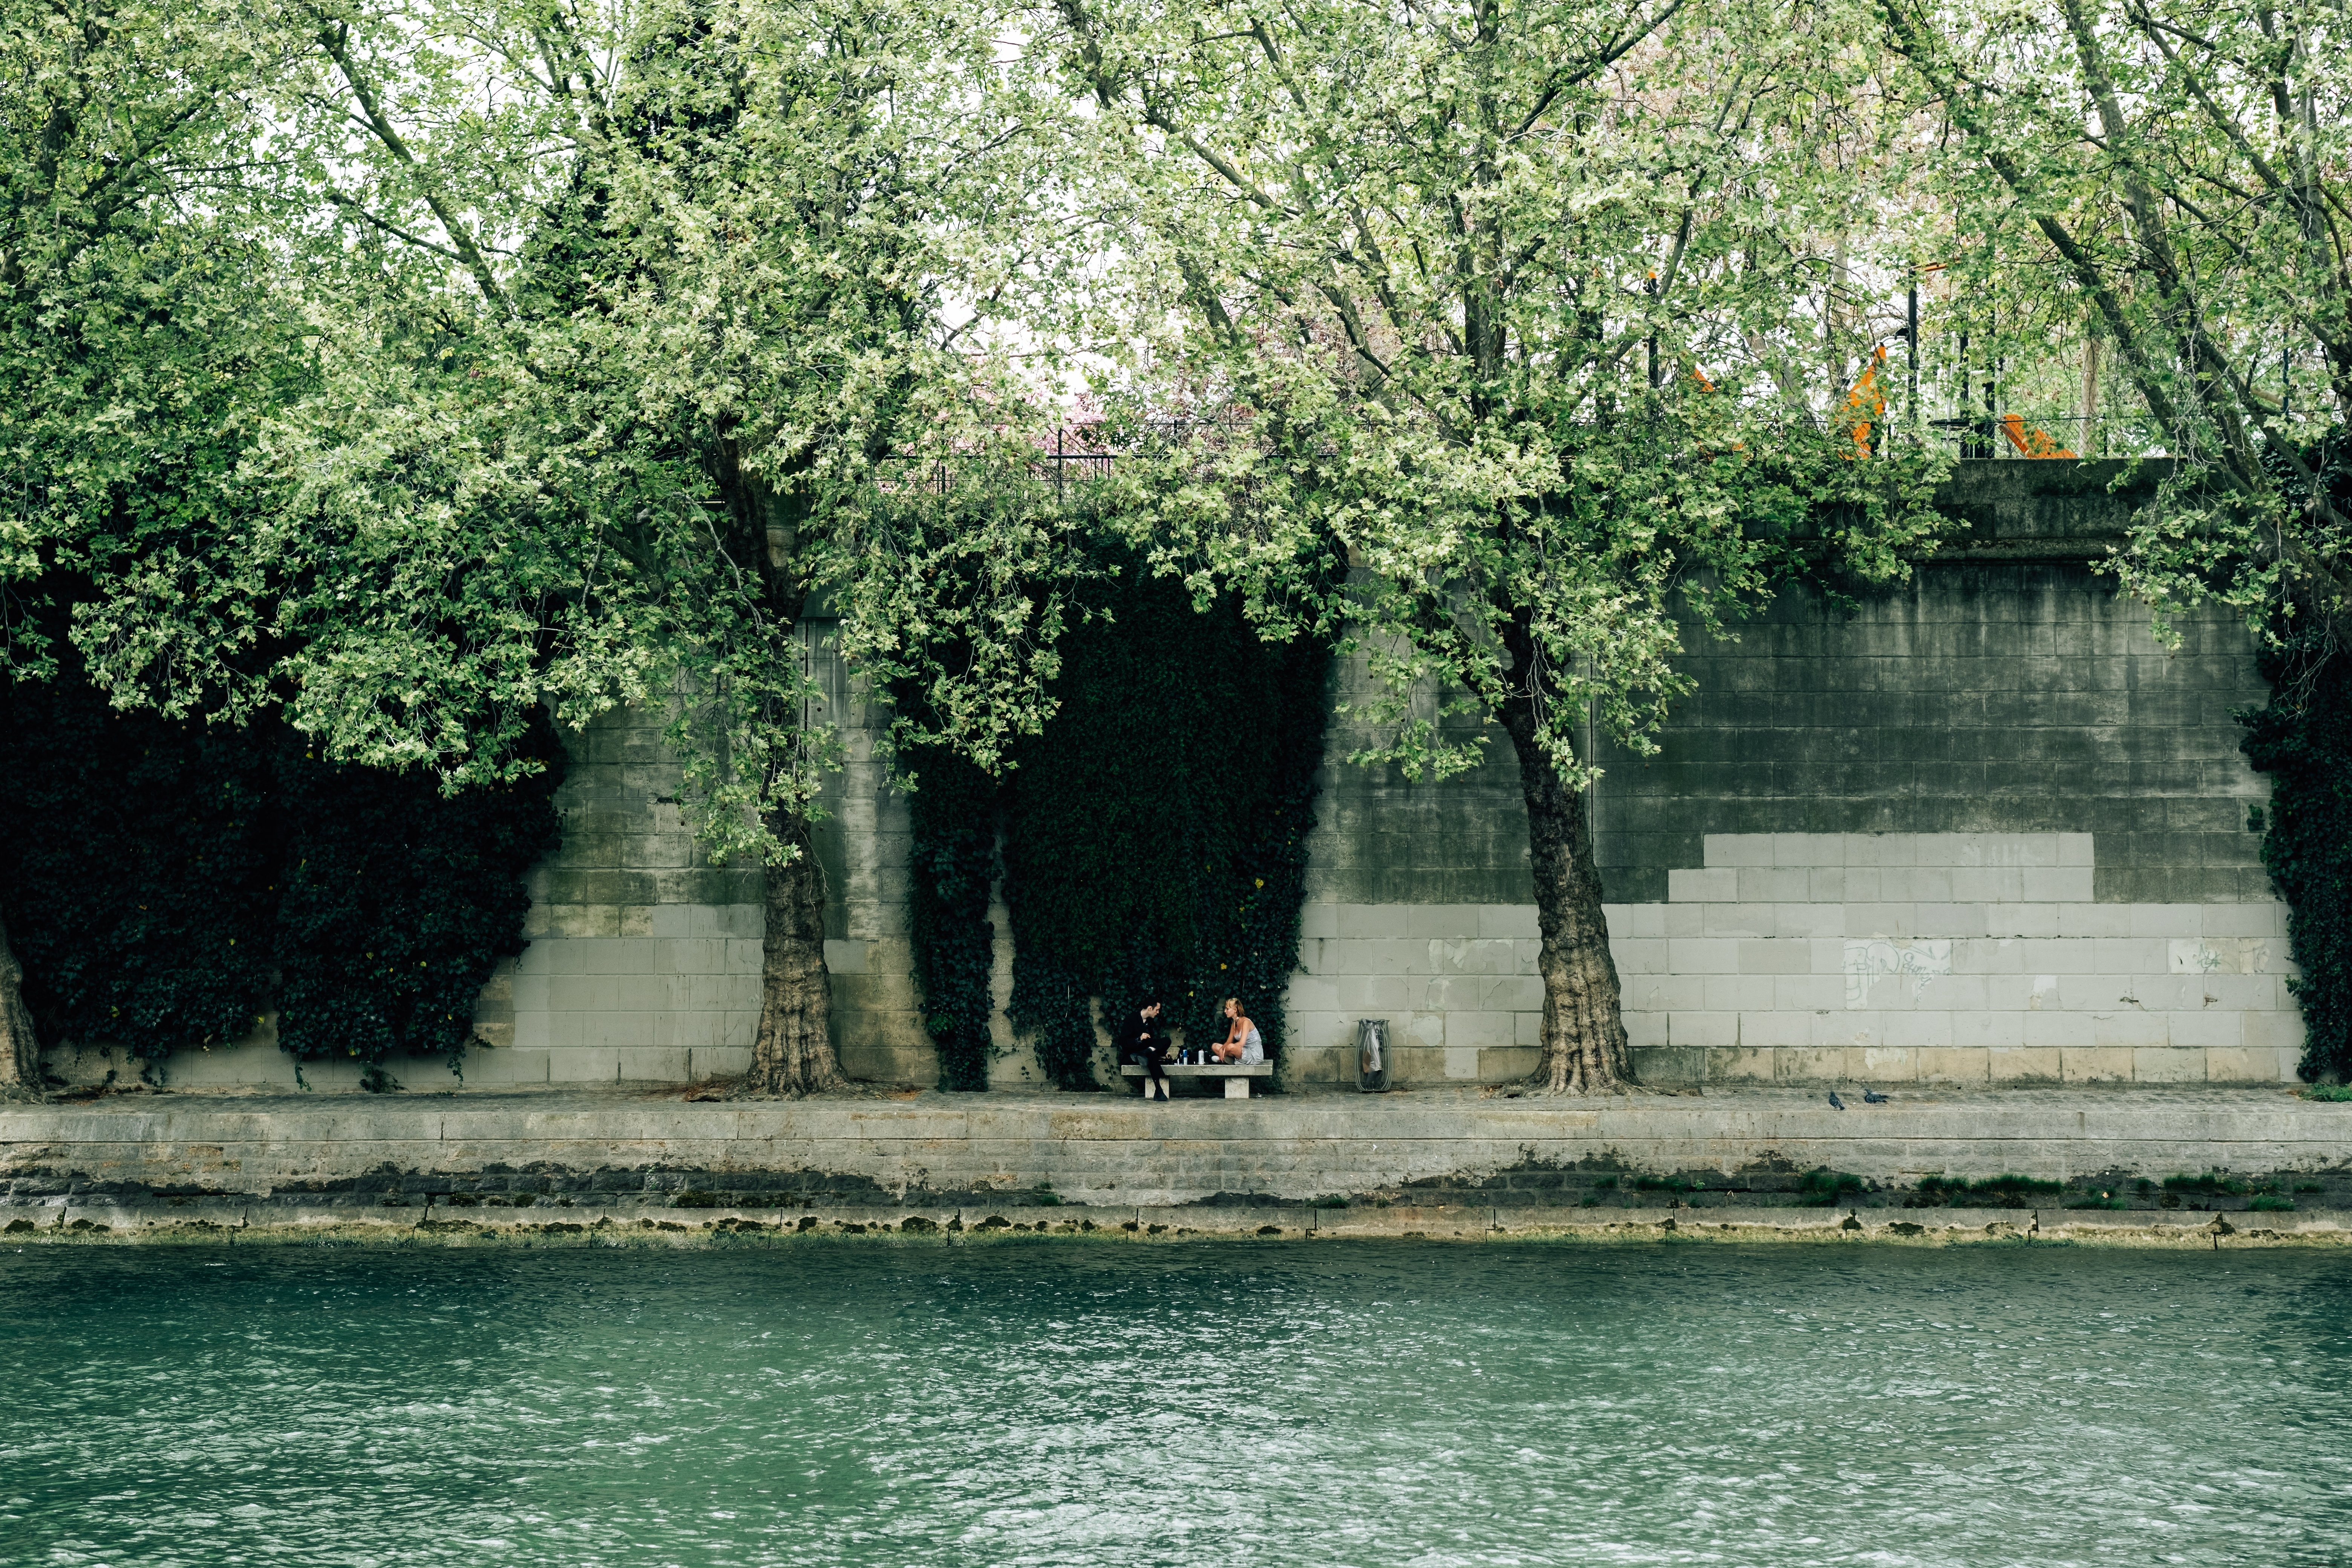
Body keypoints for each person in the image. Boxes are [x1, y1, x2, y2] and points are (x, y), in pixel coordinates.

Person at [1116, 998, 1174, 1099]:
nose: (1158, 1012)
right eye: (1157, 1010)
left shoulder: (1150, 1021)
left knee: (1167, 1041)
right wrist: (1139, 1039)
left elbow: (1151, 1041)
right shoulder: (1132, 1019)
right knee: (1152, 1055)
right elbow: (1123, 1042)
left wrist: (1164, 1052)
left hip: (1145, 1051)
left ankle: (1147, 1052)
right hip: (1132, 1054)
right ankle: (1159, 1090)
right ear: (1150, 1008)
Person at [1209, 997, 1263, 1065]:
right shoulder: (1234, 1023)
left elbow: (1242, 1044)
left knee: (1230, 1047)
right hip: (1241, 1051)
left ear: (1235, 1010)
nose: (1225, 1011)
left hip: (1253, 1053)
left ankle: (1221, 1059)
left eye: (1228, 1009)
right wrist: (1222, 1049)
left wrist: (1225, 1050)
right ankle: (1228, 1059)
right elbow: (1229, 1041)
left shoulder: (1246, 1021)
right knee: (1215, 1046)